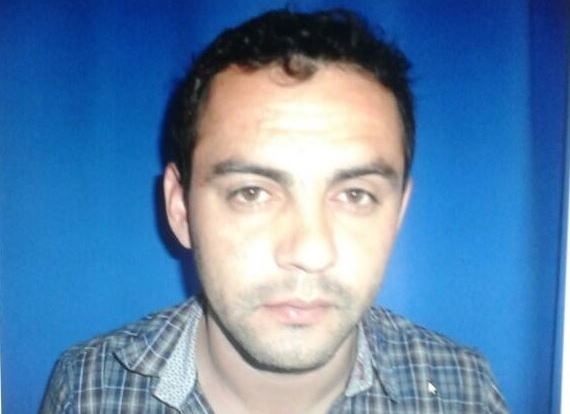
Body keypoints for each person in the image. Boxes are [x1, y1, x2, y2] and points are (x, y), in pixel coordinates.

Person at [41, 8, 508, 413]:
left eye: (355, 195)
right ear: (180, 209)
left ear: (399, 213)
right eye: (251, 192)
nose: (310, 251)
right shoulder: (89, 389)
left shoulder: (461, 391)